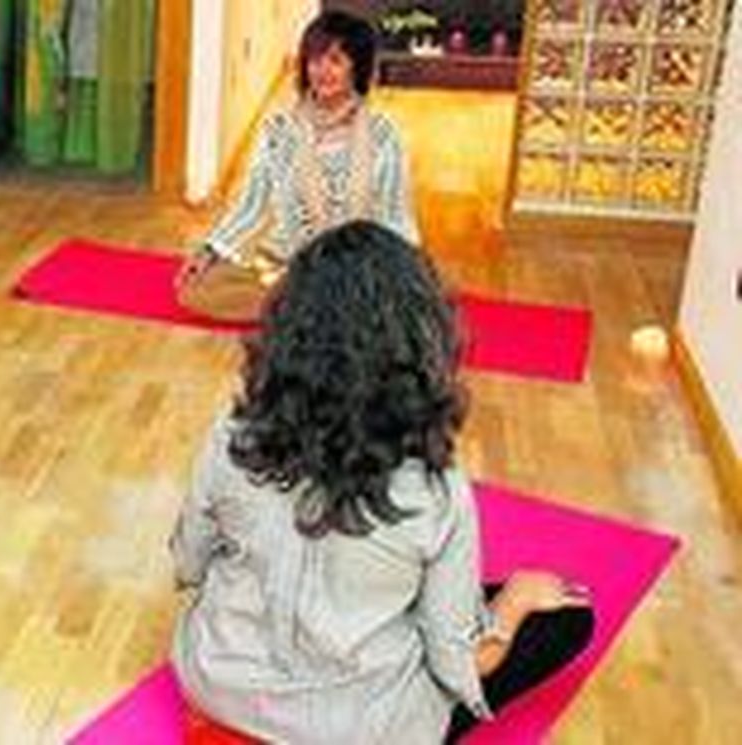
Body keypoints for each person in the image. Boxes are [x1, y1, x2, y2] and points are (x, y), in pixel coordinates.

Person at [170, 221, 594, 743]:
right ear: (422, 342)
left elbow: (189, 561)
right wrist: (515, 603)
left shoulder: (232, 435)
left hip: (221, 692)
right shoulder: (437, 490)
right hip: (360, 730)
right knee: (571, 619)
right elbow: (457, 662)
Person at [175, 11, 419, 318]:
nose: (322, 71)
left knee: (395, 301)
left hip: (358, 267)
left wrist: (407, 274)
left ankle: (314, 306)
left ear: (357, 67)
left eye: (335, 61)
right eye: (315, 60)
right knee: (199, 289)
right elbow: (252, 204)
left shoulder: (384, 135)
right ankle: (319, 306)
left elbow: (395, 216)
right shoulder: (279, 130)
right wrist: (210, 250)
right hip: (287, 265)